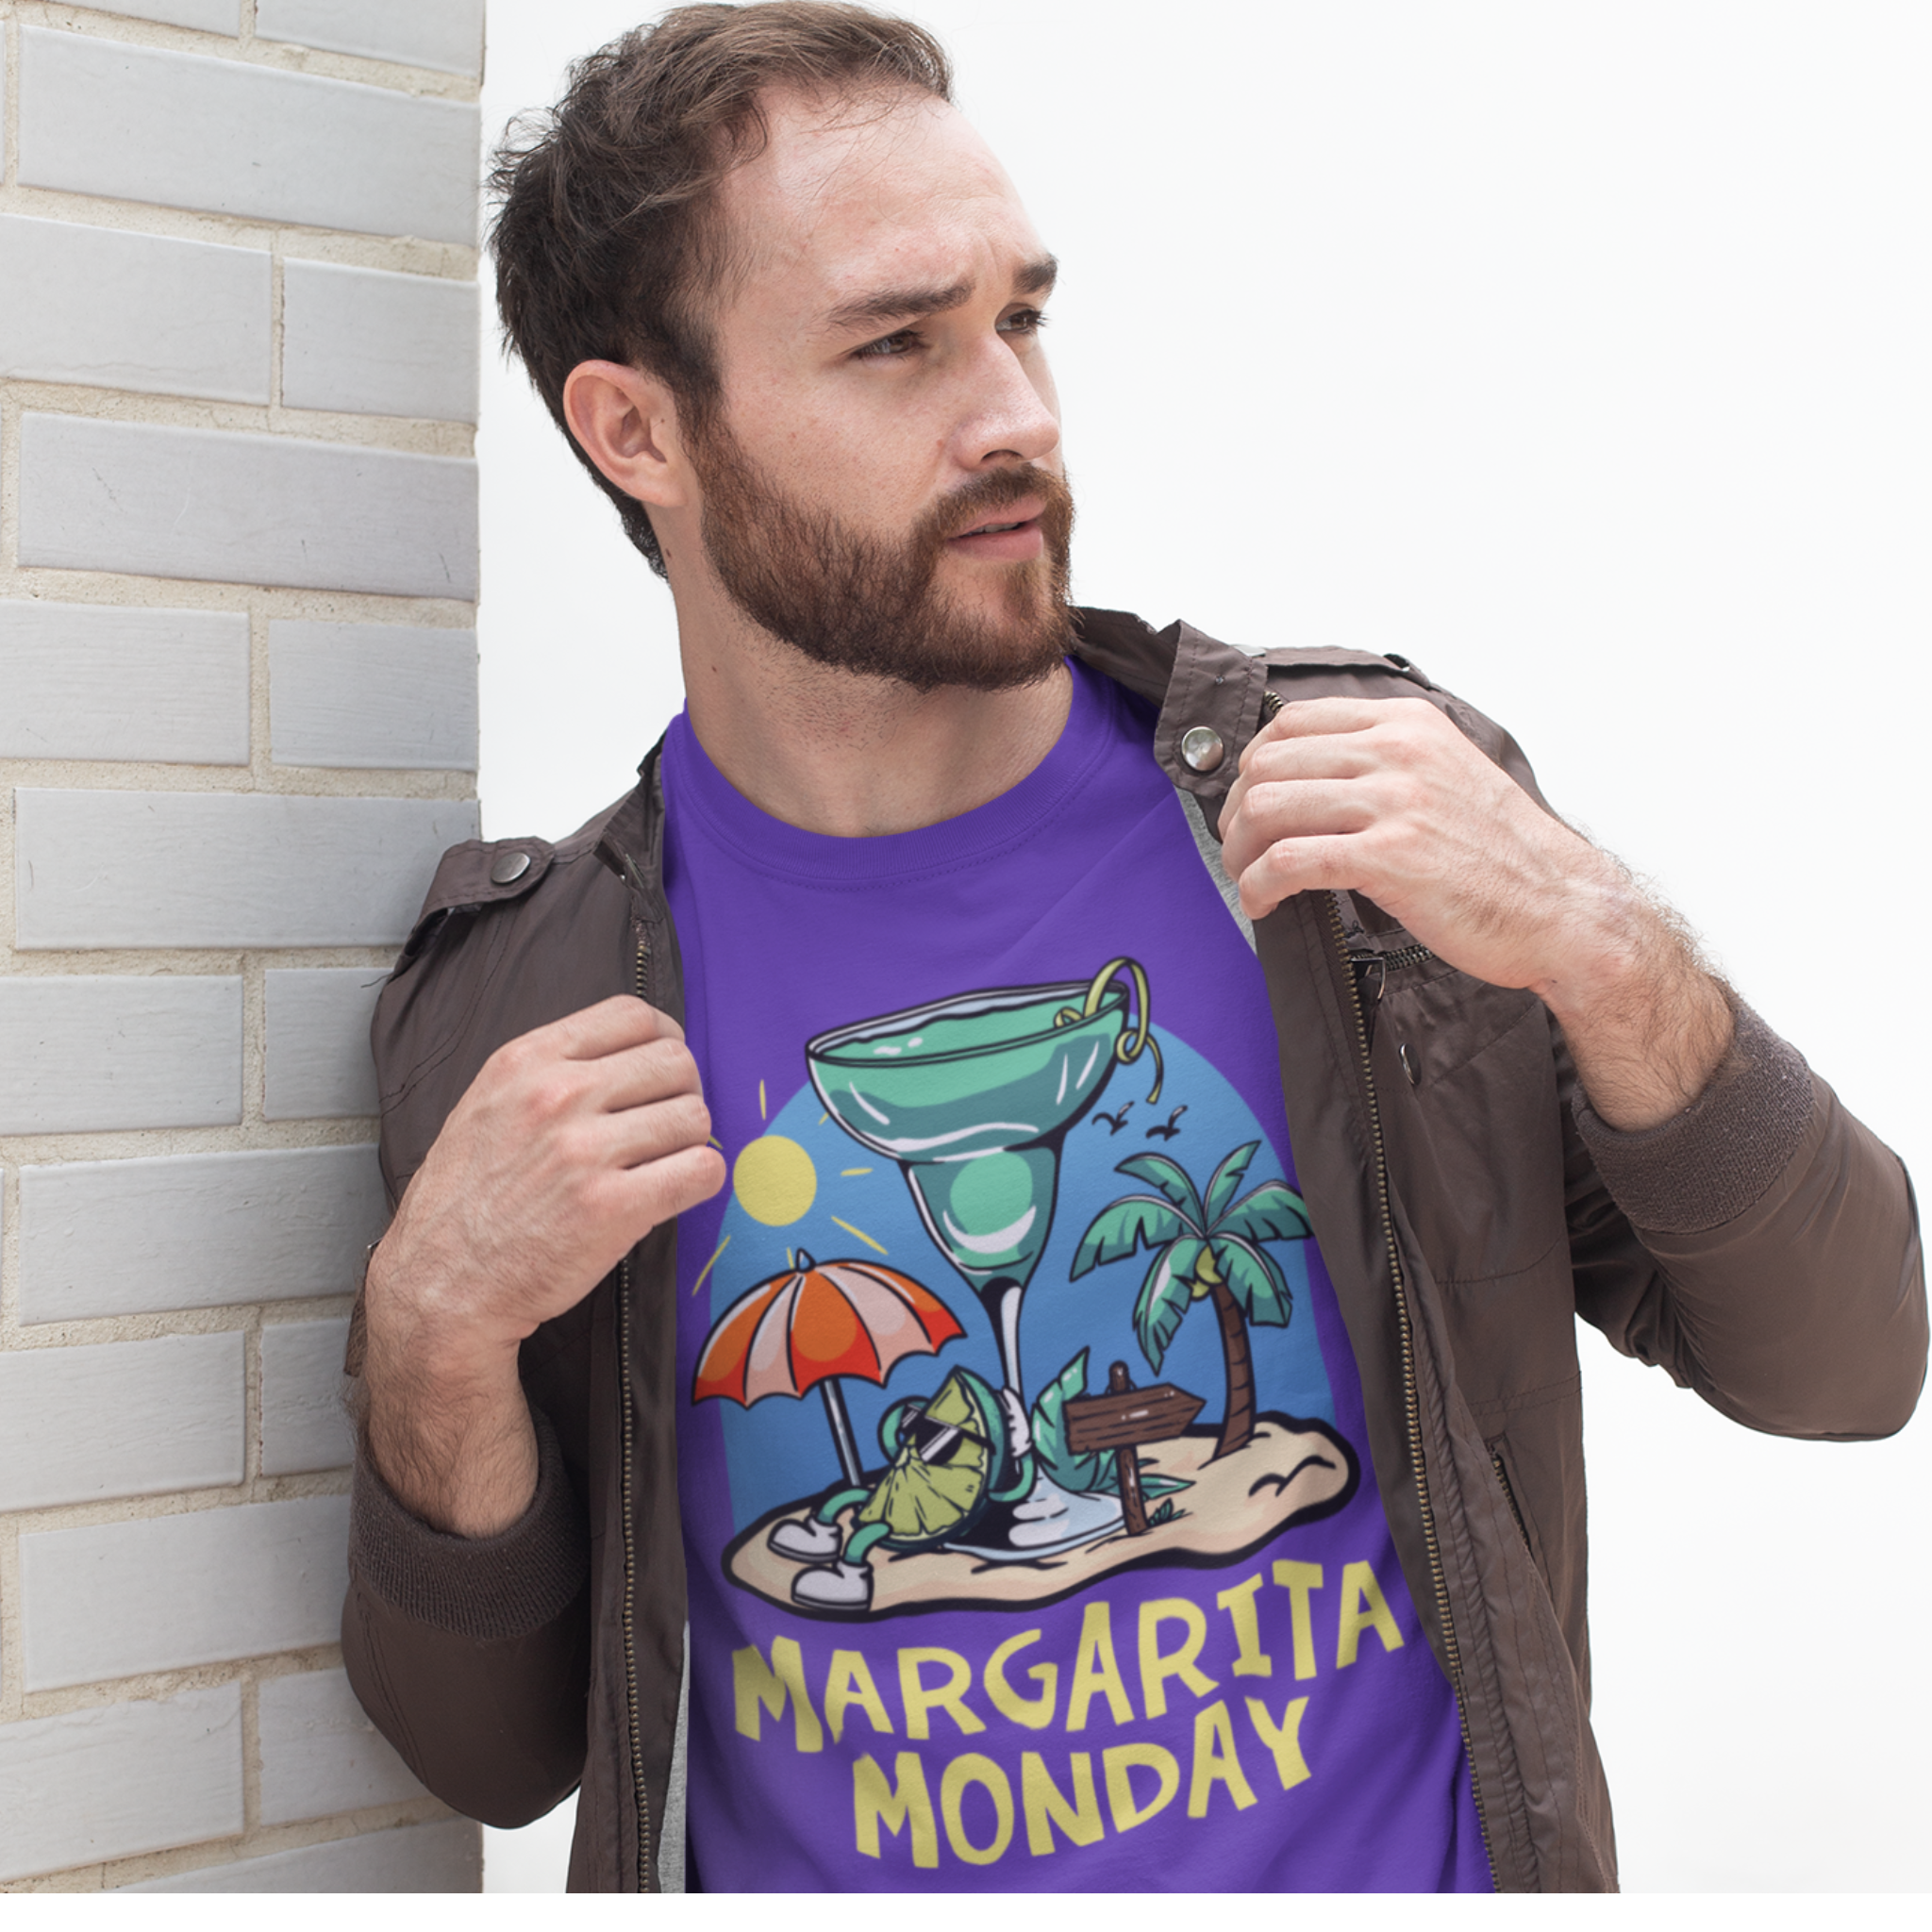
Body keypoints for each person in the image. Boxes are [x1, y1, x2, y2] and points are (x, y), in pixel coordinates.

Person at [341, 1, 1924, 1894]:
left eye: (1016, 317)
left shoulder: (1354, 830)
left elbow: (1848, 1362)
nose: (1011, 409)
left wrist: (1608, 950)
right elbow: (490, 1754)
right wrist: (432, 1341)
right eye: (898, 343)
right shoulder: (531, 1000)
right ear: (638, 428)